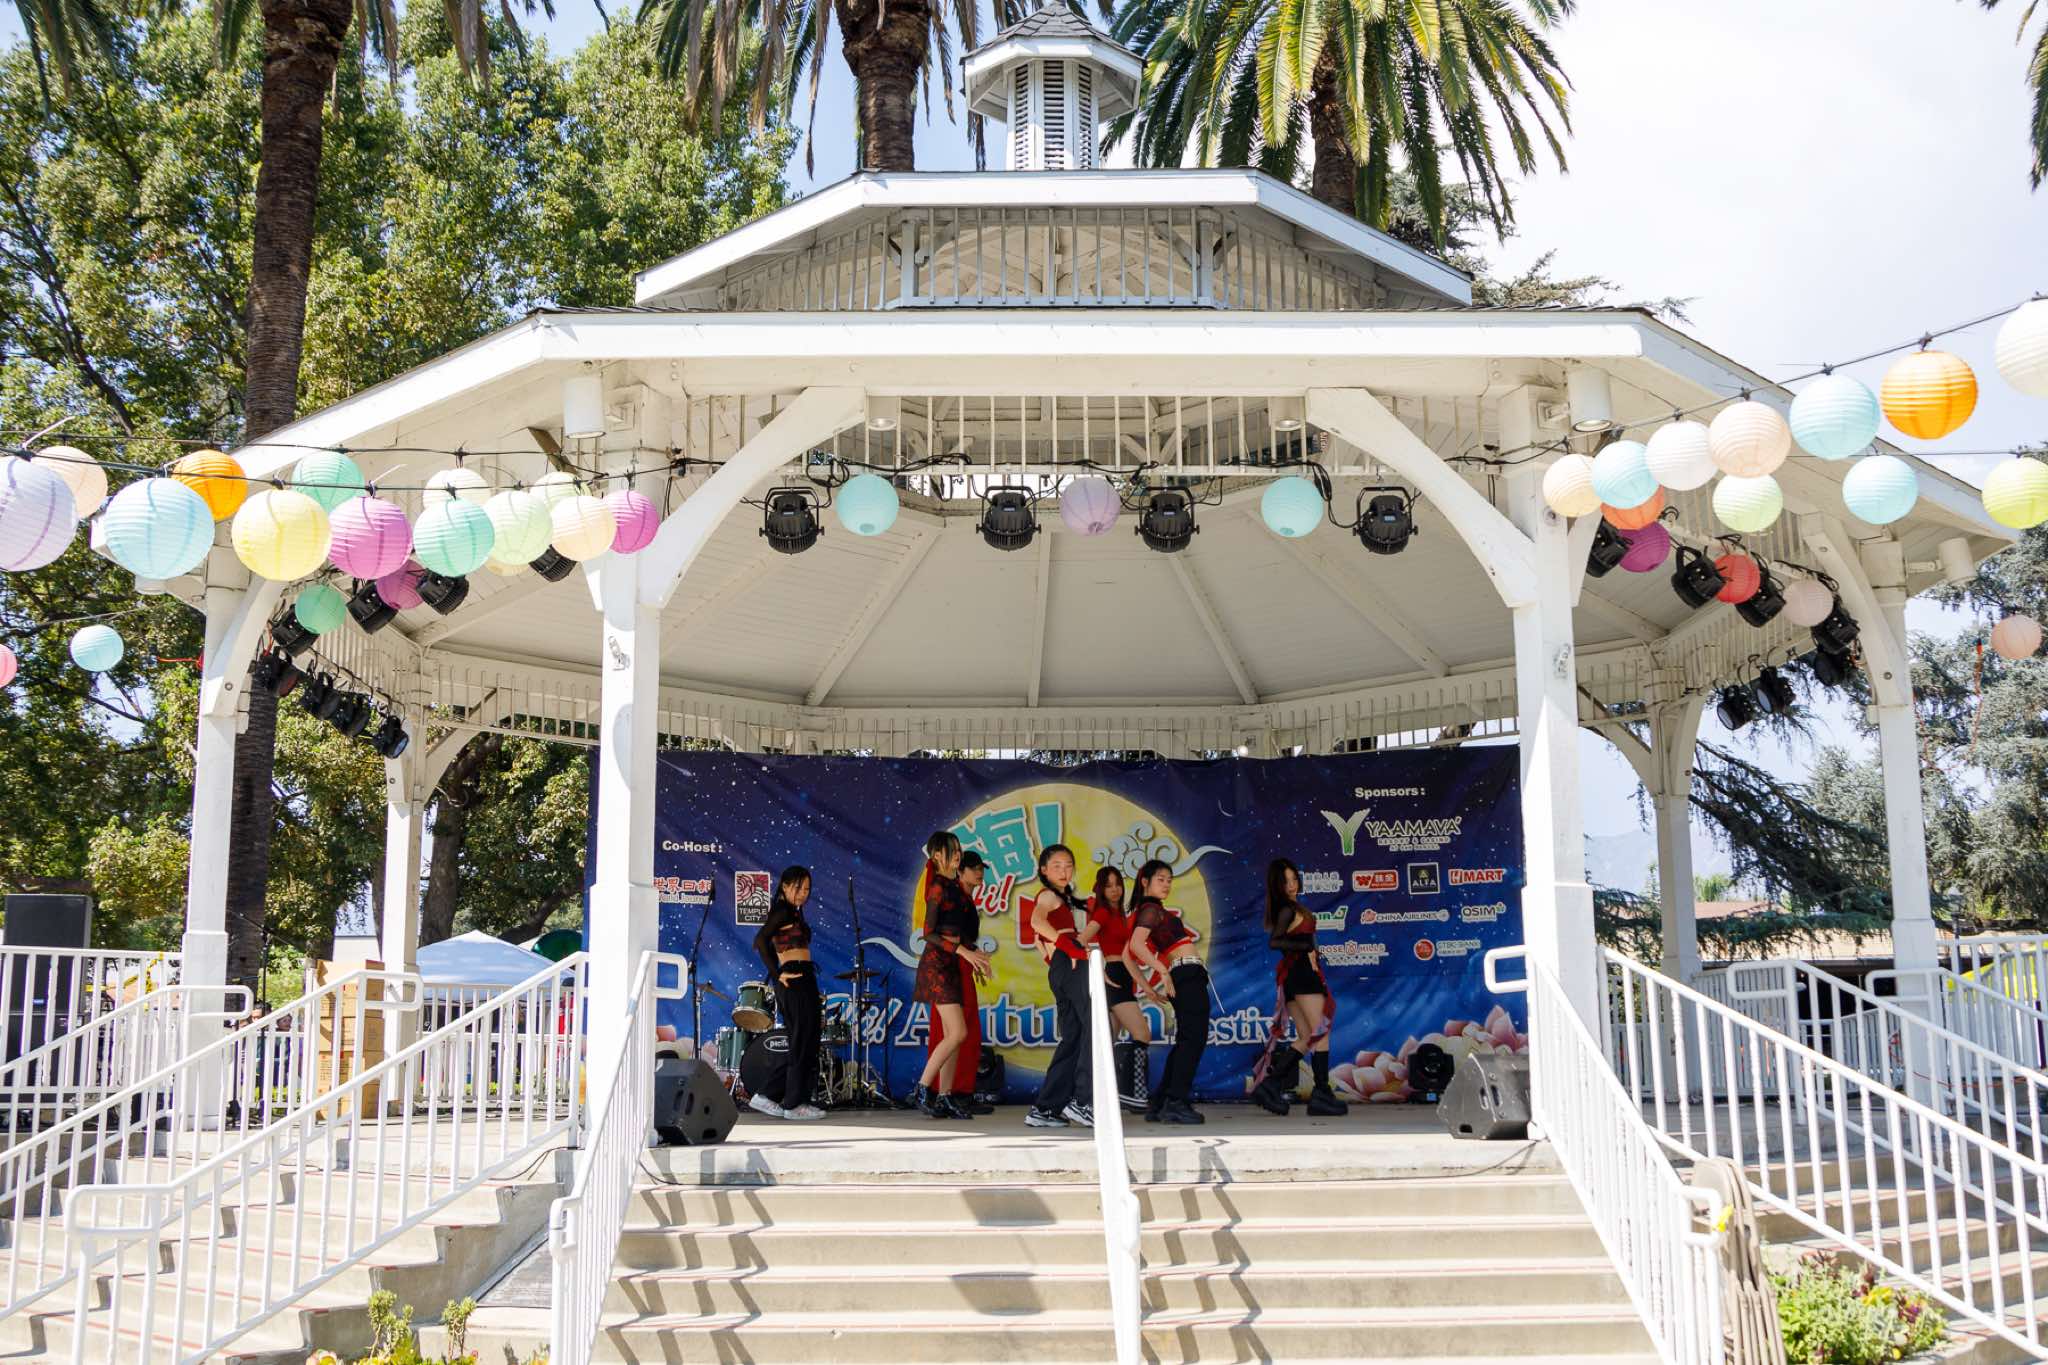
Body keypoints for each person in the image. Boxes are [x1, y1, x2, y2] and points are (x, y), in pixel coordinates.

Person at [1251, 858, 1348, 1117]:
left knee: (1307, 1036)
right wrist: (1306, 947)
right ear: (1277, 885)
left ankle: (1270, 1085)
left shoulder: (1292, 907)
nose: (1292, 885)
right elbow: (1275, 942)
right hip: (1302, 976)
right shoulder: (1286, 909)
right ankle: (1322, 1092)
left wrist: (1310, 951)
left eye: (1294, 879)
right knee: (1320, 1033)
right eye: (1286, 881)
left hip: (1296, 977)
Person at [912, 832, 991, 1119]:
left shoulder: (956, 889)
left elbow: (962, 933)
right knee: (958, 1032)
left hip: (953, 964)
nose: (957, 854)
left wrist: (975, 955)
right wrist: (963, 952)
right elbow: (928, 933)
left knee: (954, 1035)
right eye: (951, 850)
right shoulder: (937, 886)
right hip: (937, 966)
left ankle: (946, 1096)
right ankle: (922, 1088)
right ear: (937, 856)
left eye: (958, 849)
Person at [1127, 859, 1207, 1125]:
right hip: (1184, 973)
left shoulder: (1152, 909)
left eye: (1169, 880)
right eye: (1160, 879)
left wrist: (1151, 985)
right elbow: (1136, 945)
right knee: (1193, 1039)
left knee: (1188, 1038)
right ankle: (1175, 1102)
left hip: (1186, 974)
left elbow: (1129, 951)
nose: (1166, 884)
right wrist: (1161, 969)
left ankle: (1163, 1101)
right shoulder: (1150, 909)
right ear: (1145, 881)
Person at [750, 865, 826, 1121]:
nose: (803, 893)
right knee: (802, 1040)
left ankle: (771, 1095)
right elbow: (760, 941)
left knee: (806, 1041)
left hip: (803, 976)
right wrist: (777, 974)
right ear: (784, 886)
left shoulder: (793, 911)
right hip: (793, 978)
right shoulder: (782, 910)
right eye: (798, 888)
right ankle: (792, 1104)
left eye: (807, 889)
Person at [1026, 844, 1094, 1129]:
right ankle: (1083, 1101)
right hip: (1069, 965)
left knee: (1073, 1038)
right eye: (1056, 866)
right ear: (1043, 870)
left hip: (1063, 967)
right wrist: (1068, 946)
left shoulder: (1063, 899)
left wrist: (1061, 953)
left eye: (1068, 865)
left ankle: (1045, 1108)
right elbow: (1036, 921)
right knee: (1093, 1027)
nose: (1064, 871)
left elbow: (1040, 940)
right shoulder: (1048, 895)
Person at [1079, 867, 1153, 1111]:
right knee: (1142, 1034)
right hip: (1114, 976)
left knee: (1105, 1042)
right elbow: (1081, 940)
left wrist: (1145, 986)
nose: (1115, 890)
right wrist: (1097, 969)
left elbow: (1127, 952)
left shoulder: (1119, 913)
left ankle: (1090, 1097)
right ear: (1101, 889)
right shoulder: (1102, 913)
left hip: (1123, 975)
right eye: (1108, 885)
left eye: (1117, 884)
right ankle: (1132, 1093)